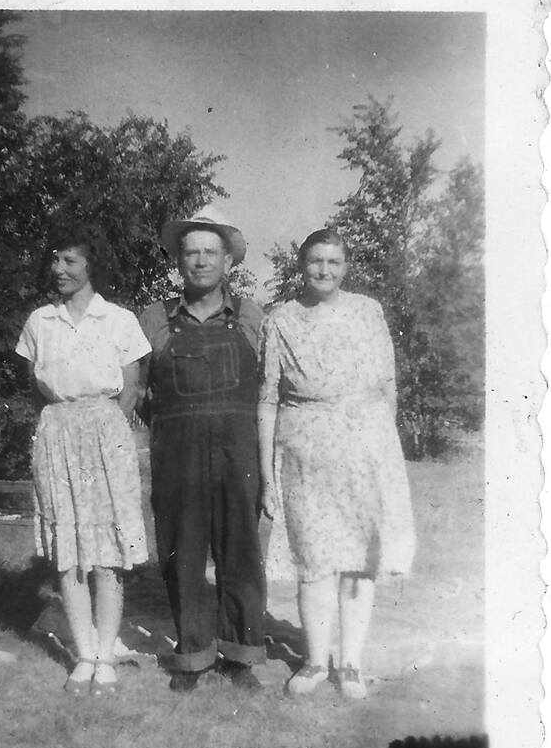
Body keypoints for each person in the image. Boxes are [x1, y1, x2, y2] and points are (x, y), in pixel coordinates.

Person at [258, 228, 415, 699]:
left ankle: (349, 664)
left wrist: (379, 453)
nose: (323, 270)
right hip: (303, 452)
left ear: (346, 267)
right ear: (301, 265)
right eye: (315, 261)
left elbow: (386, 387)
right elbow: (266, 400)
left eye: (333, 262)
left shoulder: (368, 312)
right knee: (313, 559)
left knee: (357, 561)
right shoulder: (280, 320)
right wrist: (268, 474)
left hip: (364, 449)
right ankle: (314, 661)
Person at [16, 222, 151, 695]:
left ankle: (108, 654)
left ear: (92, 265)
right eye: (54, 259)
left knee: (107, 552)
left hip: (105, 435)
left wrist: (103, 435)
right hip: (57, 434)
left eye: (69, 260)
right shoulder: (39, 322)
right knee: (68, 552)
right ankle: (85, 654)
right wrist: (65, 425)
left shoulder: (119, 320)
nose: (58, 269)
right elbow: (38, 385)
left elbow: (131, 389)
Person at [139, 210, 266, 693]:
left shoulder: (253, 316)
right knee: (183, 554)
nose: (200, 261)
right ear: (178, 261)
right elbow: (137, 392)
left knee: (241, 551)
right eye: (190, 252)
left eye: (210, 252)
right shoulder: (154, 319)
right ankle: (192, 655)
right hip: (178, 456)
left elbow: (270, 386)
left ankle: (241, 655)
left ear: (228, 261)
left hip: (239, 453)